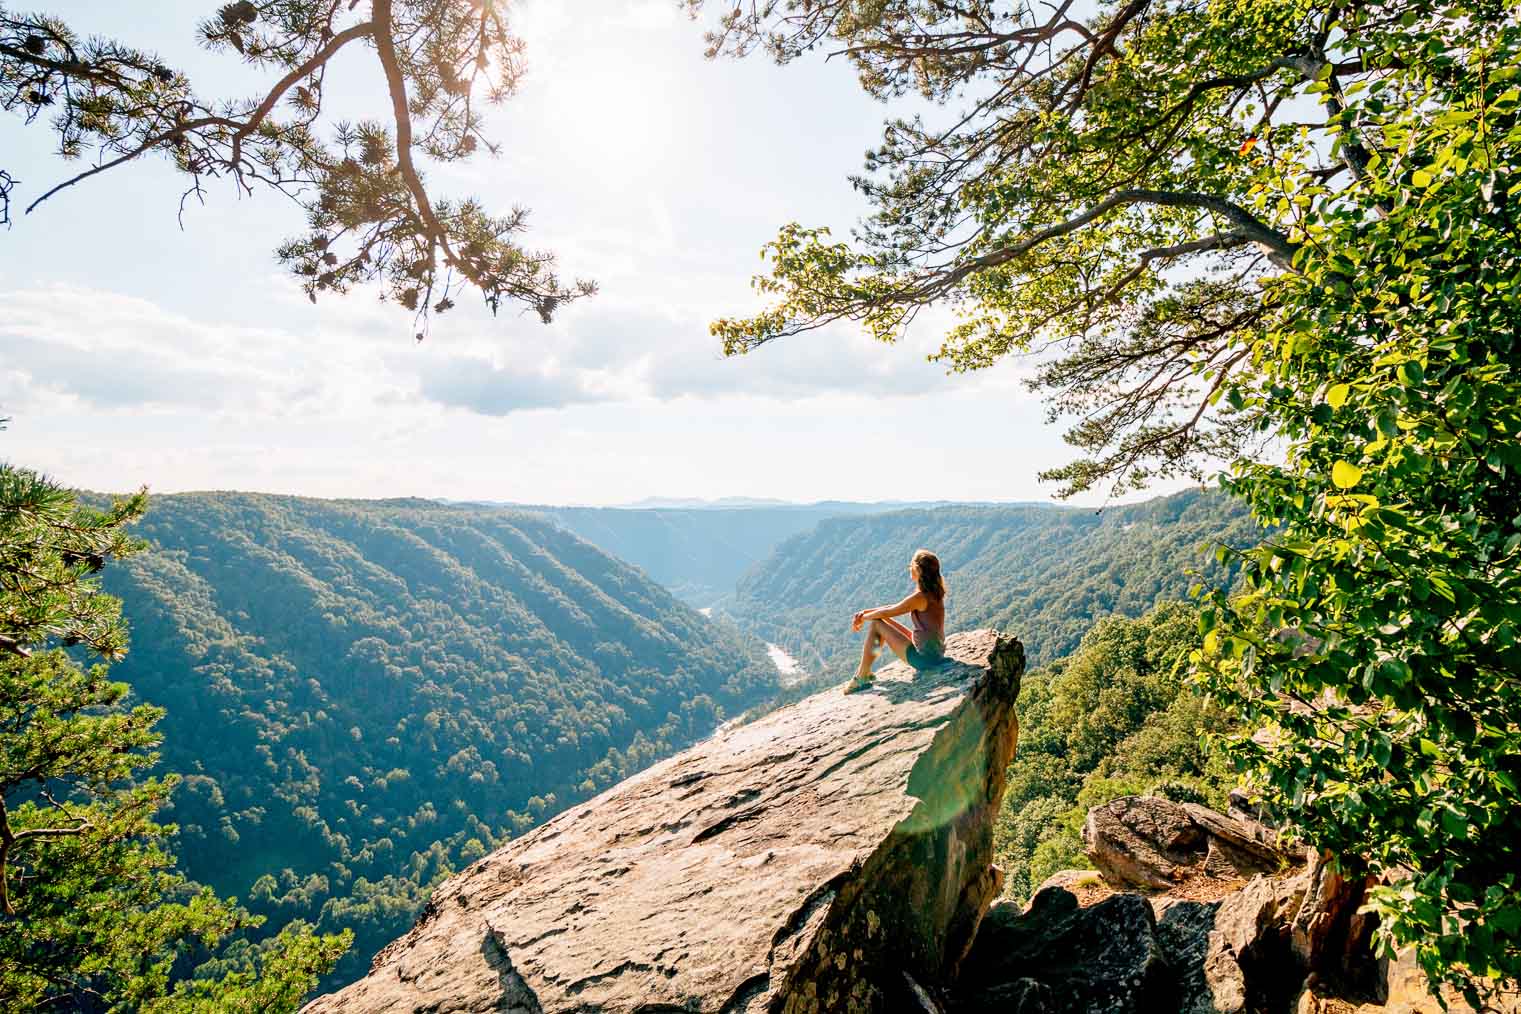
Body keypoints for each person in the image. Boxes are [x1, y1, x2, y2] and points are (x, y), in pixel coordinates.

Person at [845, 549, 947, 693]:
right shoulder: (934, 591)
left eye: (910, 565)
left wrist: (863, 618)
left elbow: (890, 611)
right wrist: (865, 613)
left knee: (876, 624)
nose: (909, 568)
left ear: (917, 570)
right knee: (880, 620)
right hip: (935, 653)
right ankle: (865, 673)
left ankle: (862, 676)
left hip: (924, 660)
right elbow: (891, 608)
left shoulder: (920, 597)